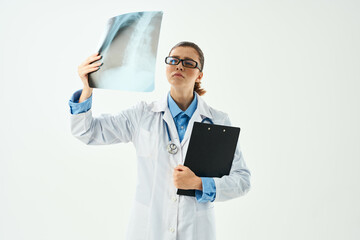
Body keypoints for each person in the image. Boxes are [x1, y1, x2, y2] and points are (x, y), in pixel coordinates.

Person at [69, 41, 251, 240]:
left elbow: (242, 180)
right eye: (173, 60)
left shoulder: (217, 121)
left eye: (189, 62)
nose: (179, 65)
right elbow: (87, 132)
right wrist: (87, 89)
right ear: (166, 67)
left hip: (195, 232)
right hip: (148, 229)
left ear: (200, 75)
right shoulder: (141, 115)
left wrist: (199, 183)